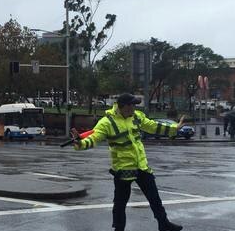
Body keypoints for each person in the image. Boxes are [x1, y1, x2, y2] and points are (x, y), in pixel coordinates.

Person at [70, 93, 184, 231]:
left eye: (135, 105)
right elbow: (94, 138)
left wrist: (174, 129)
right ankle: (119, 229)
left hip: (141, 166)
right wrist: (80, 143)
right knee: (120, 203)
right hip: (123, 169)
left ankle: (164, 224)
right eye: (131, 105)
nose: (133, 108)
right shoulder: (107, 123)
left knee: (155, 198)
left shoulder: (136, 117)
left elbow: (152, 126)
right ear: (122, 106)